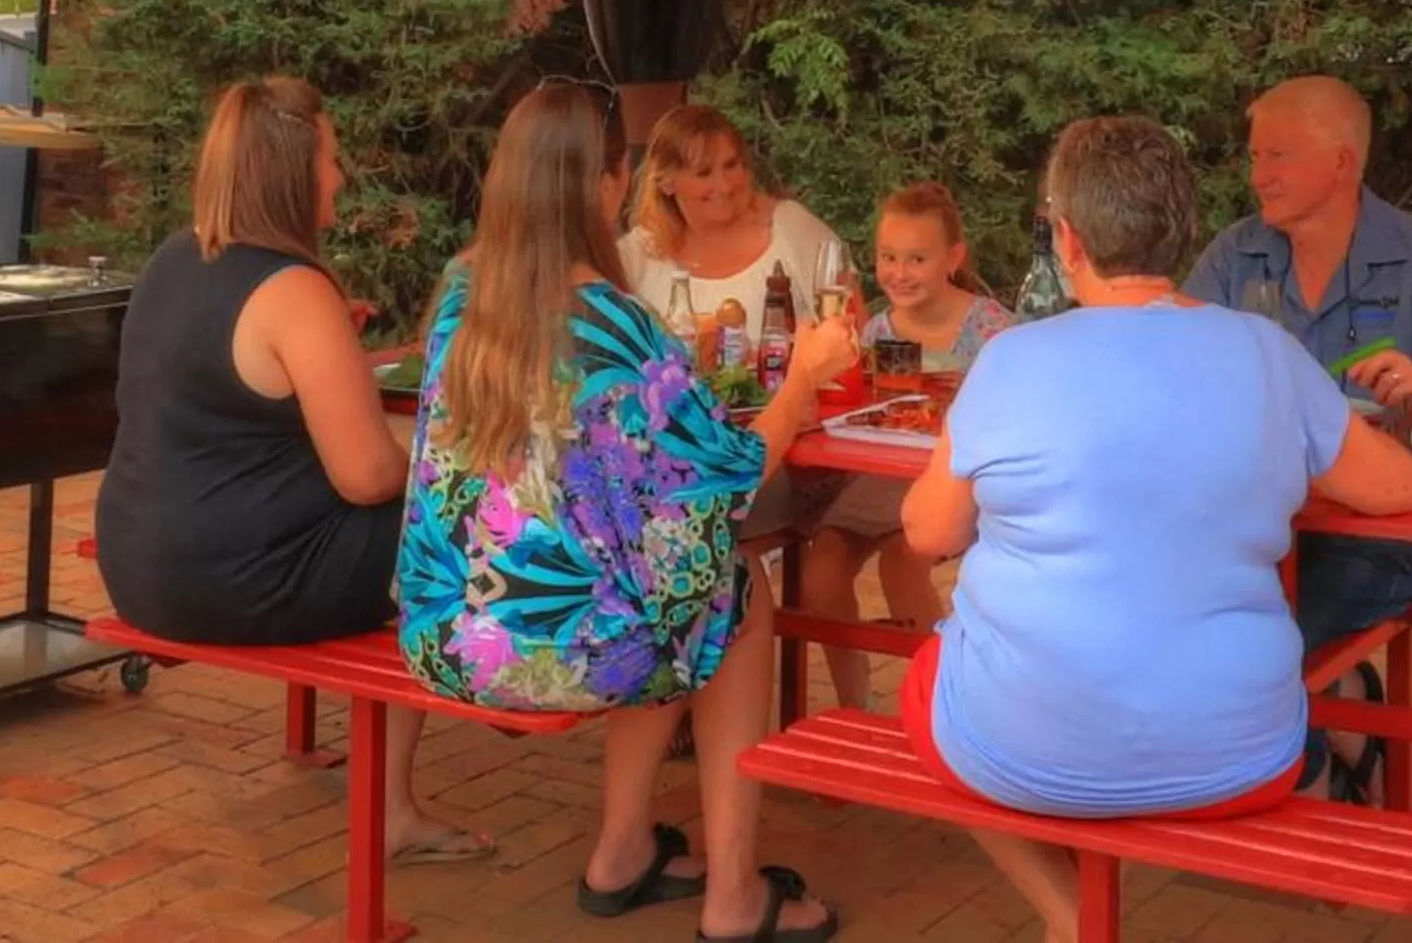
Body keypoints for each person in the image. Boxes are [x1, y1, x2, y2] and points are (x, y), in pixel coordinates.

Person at [898, 117, 1412, 942]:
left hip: (1019, 745)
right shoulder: (1265, 352)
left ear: (1067, 239)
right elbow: (1394, 489)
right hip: (1242, 755)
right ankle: (1081, 918)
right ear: (1183, 229)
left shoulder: (1009, 360)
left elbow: (927, 534)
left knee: (927, 676)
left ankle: (1072, 920)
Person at [399, 83, 858, 943]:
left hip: (444, 634)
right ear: (609, 184)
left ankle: (622, 850)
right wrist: (804, 375)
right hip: (550, 650)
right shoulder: (617, 326)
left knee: (667, 585)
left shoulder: (460, 298)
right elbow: (731, 475)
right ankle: (731, 898)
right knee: (730, 586)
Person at [93, 77, 486, 867]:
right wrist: (455, 472)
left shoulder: (176, 256)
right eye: (332, 160)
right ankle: (396, 809)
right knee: (444, 531)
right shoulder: (294, 289)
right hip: (230, 578)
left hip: (133, 560)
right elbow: (368, 475)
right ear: (291, 174)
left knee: (418, 527)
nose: (340, 177)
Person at [1180, 74, 1412, 791]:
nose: (1258, 175)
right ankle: (1341, 726)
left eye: (1277, 156)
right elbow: (1172, 367)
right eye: (1254, 156)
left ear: (1341, 163)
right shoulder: (1235, 254)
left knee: (1262, 654)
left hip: (1382, 532)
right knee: (1196, 635)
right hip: (1258, 525)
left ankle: (1304, 773)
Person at [798, 182, 1015, 712]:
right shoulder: (875, 330)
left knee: (902, 561)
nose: (899, 271)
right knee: (820, 569)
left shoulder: (990, 329)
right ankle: (854, 703)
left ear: (953, 258)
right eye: (888, 257)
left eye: (917, 258)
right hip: (878, 478)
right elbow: (850, 408)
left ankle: (939, 701)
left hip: (951, 483)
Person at [619, 105, 847, 359]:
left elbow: (852, 336)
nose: (724, 185)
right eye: (704, 173)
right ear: (666, 182)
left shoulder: (792, 227)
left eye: (730, 165)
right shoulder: (636, 256)